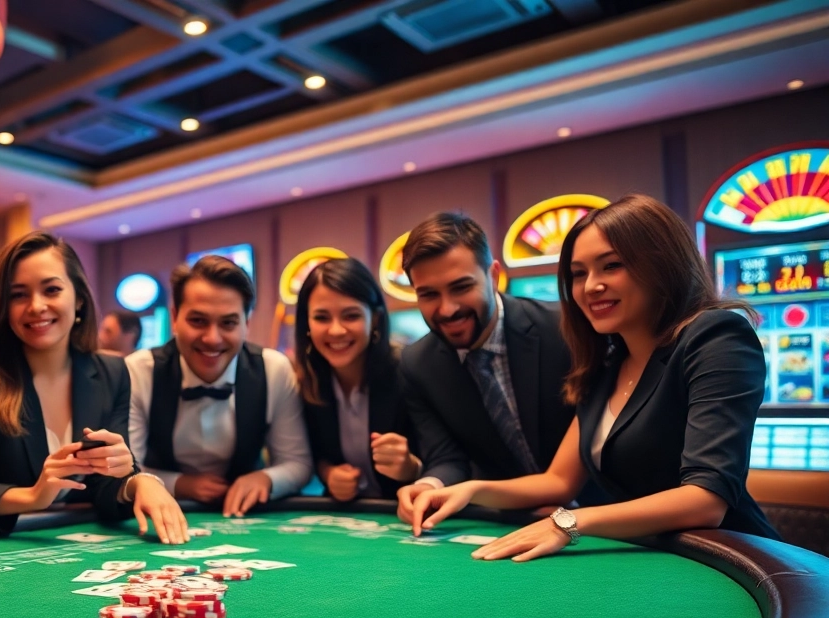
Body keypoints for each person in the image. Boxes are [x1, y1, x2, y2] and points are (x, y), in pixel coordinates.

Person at [402, 194, 781, 560]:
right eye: (578, 274)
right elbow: (558, 481)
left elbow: (706, 499)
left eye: (611, 265)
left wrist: (568, 522)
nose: (590, 286)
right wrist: (469, 490)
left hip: (737, 562)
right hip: (651, 558)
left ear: (660, 263)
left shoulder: (715, 336)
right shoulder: (607, 360)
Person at [0, 231, 188, 543]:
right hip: (0, 550)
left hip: (77, 541)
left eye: (51, 289)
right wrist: (29, 497)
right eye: (19, 295)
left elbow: (102, 487)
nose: (36, 306)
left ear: (79, 298)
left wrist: (137, 481)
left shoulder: (112, 372)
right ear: (5, 307)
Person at [394, 212, 577, 521]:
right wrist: (428, 485)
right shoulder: (417, 364)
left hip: (608, 517)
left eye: (461, 287)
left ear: (493, 277)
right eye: (428, 294)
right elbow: (447, 457)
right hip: (510, 521)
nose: (447, 309)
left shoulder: (566, 330)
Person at [127, 256, 312, 517]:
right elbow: (126, 469)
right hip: (158, 515)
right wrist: (181, 484)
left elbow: (298, 462)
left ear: (247, 323)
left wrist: (266, 479)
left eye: (228, 323)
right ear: (175, 318)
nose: (212, 338)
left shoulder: (274, 369)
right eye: (198, 321)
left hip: (245, 517)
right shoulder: (139, 371)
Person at [295, 258, 422, 501]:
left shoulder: (410, 372)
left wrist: (411, 468)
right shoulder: (305, 382)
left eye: (350, 315)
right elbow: (314, 455)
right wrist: (329, 474)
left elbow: (447, 462)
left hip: (410, 516)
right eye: (322, 318)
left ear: (374, 318)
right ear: (307, 324)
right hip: (345, 521)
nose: (336, 330)